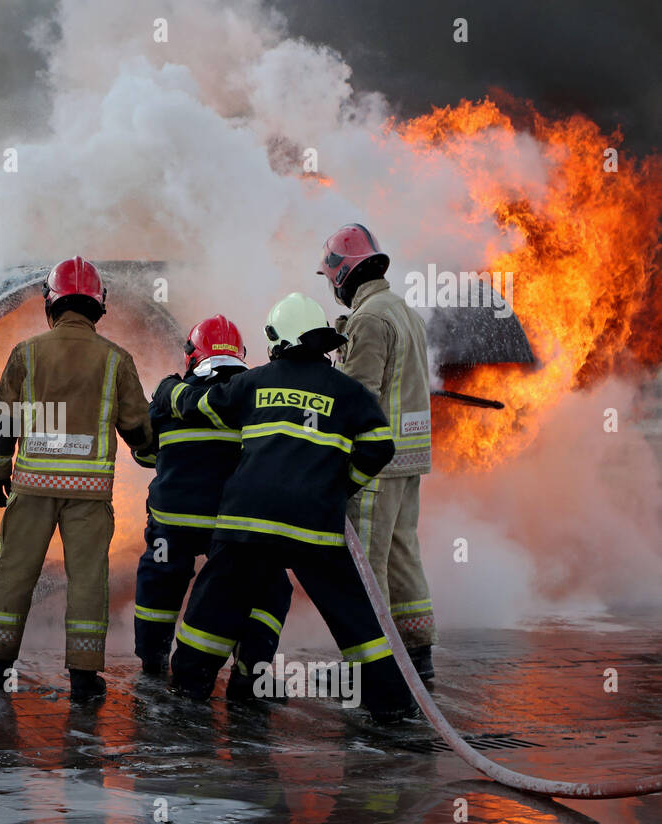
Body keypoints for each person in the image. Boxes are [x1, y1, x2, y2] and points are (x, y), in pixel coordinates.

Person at [165, 292, 417, 721]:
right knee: (353, 614)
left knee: (215, 601)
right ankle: (392, 705)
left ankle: (190, 687)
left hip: (249, 521)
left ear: (279, 340)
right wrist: (340, 486)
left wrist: (171, 389)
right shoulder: (348, 392)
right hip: (314, 525)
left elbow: (200, 405)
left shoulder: (255, 381)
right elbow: (380, 446)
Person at [0, 256, 152, 702]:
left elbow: (4, 420)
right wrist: (156, 456)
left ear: (51, 304)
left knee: (15, 573)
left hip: (32, 487)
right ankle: (83, 677)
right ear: (98, 306)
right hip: (90, 496)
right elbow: (138, 427)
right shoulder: (117, 360)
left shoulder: (27, 353)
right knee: (88, 580)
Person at [130, 315, 292, 682]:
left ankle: (152, 660)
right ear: (241, 354)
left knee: (160, 578)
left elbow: (144, 455)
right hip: (232, 525)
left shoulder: (169, 396)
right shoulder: (256, 396)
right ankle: (250, 671)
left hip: (175, 520)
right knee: (269, 584)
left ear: (192, 356)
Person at [318, 223, 436, 679]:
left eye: (332, 281)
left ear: (343, 273)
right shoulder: (404, 311)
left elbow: (357, 396)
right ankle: (417, 657)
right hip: (408, 460)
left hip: (375, 465)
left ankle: (376, 669)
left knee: (364, 567)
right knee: (402, 555)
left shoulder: (368, 319)